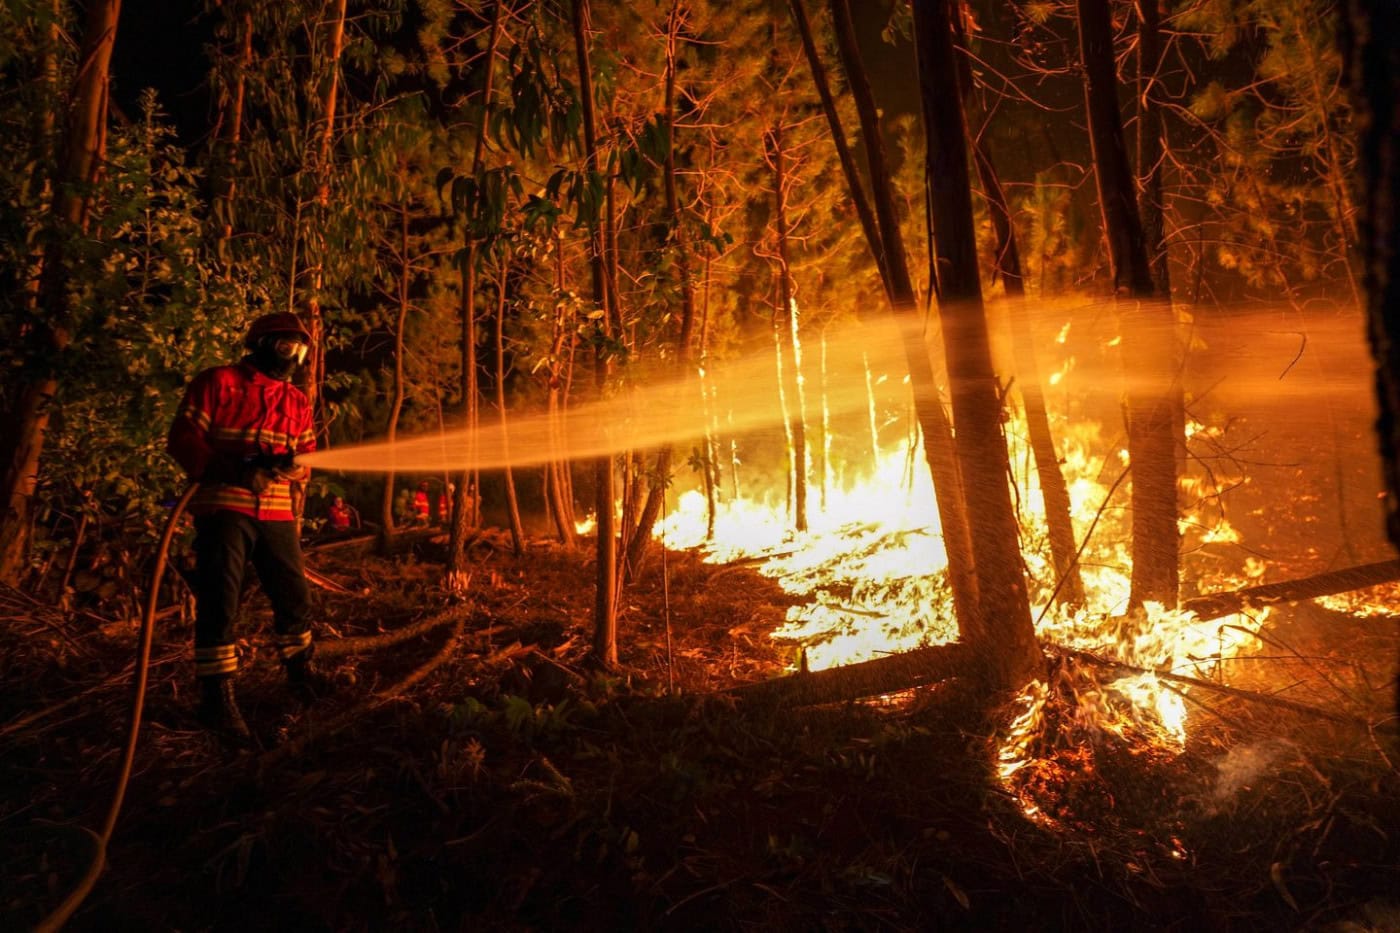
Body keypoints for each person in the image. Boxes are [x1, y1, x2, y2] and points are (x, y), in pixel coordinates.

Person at [167, 311, 330, 741]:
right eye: (286, 346)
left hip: (276, 512)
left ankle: (301, 676)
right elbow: (182, 439)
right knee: (221, 600)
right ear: (260, 344)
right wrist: (238, 471)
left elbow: (307, 456)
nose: (293, 356)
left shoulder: (297, 401)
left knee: (294, 596)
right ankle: (216, 699)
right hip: (224, 507)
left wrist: (293, 467)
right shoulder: (218, 382)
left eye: (300, 349)